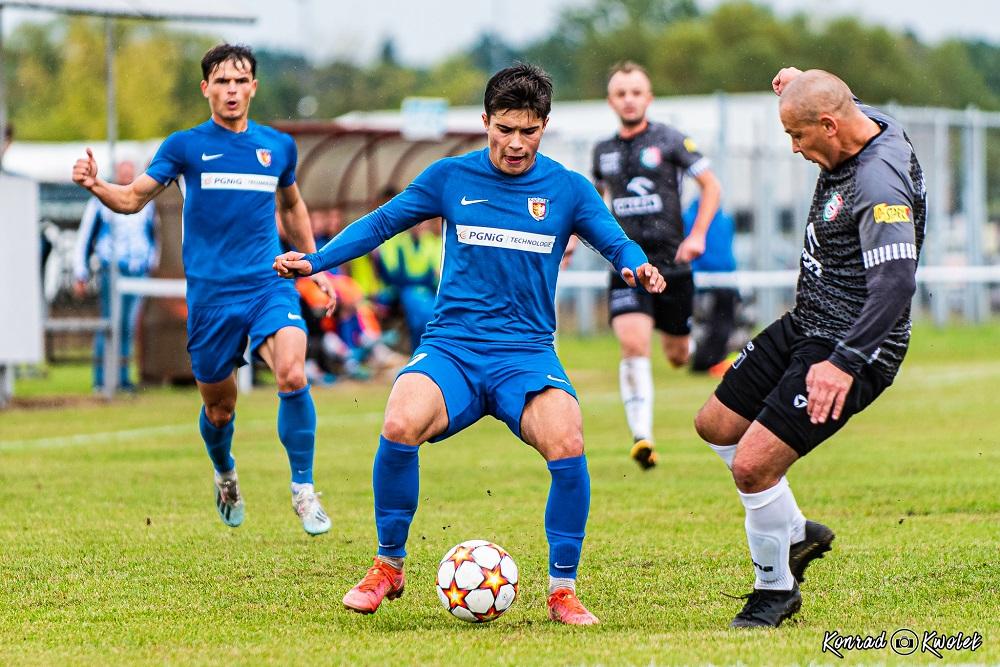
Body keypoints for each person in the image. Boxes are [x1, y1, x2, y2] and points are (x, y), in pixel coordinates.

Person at [274, 63, 665, 625]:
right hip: (453, 349)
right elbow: (381, 224)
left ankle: (562, 590)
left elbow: (616, 242)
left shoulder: (568, 189)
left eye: (528, 131)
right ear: (485, 122)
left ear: (544, 126)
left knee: (568, 438)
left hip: (525, 355)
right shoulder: (450, 177)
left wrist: (637, 266)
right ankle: (388, 565)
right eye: (505, 129)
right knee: (399, 421)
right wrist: (316, 261)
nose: (515, 143)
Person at [71, 44, 335, 536]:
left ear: (254, 87)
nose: (231, 90)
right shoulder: (185, 147)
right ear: (205, 89)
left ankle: (303, 488)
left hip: (268, 284)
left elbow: (292, 206)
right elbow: (131, 200)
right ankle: (225, 473)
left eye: (240, 81)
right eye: (222, 82)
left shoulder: (278, 147)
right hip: (212, 300)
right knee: (219, 408)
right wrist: (95, 184)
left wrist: (315, 262)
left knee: (293, 373)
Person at [693, 67, 925, 628]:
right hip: (807, 323)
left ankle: (774, 592)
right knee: (716, 425)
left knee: (752, 467)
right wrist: (801, 80)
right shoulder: (860, 119)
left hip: (854, 346)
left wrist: (844, 363)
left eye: (797, 136)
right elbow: (837, 96)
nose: (794, 148)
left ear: (828, 125)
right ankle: (794, 532)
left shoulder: (878, 182)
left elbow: (896, 283)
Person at [587, 61, 722, 470]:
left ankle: (696, 345)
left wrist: (697, 235)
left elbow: (711, 186)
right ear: (610, 101)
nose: (629, 99)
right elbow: (591, 204)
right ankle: (642, 438)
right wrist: (573, 242)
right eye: (621, 93)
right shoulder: (603, 151)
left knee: (677, 355)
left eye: (636, 92)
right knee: (633, 344)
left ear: (649, 98)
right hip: (627, 264)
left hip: (673, 264)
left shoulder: (670, 140)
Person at [73, 160, 158, 392]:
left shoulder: (147, 203)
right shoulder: (99, 203)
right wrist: (80, 271)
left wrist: (151, 263)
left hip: (137, 271)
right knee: (110, 324)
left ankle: (122, 377)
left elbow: (153, 235)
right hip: (113, 269)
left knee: (128, 327)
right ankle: (102, 379)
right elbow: (85, 237)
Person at [681, 197, 741, 375]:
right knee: (716, 324)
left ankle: (707, 360)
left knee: (709, 324)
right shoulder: (725, 219)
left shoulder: (688, 217)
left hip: (704, 280)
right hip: (716, 280)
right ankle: (706, 360)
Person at [373, 217, 442, 351]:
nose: (420, 226)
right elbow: (396, 276)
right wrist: (421, 280)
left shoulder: (430, 242)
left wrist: (422, 280)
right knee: (417, 315)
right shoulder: (400, 242)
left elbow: (434, 274)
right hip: (404, 289)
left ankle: (426, 349)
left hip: (424, 290)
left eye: (423, 223)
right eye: (417, 223)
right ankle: (419, 349)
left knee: (429, 313)